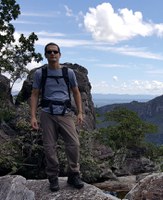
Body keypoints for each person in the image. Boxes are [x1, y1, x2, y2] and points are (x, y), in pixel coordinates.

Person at [30, 42, 84, 192]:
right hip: (47, 113)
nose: (52, 54)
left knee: (74, 145)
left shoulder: (69, 73)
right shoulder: (41, 73)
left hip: (65, 113)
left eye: (55, 51)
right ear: (46, 55)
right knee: (49, 147)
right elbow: (34, 94)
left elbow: (76, 92)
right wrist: (33, 116)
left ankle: (73, 174)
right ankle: (53, 178)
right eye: (49, 52)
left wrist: (80, 112)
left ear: (60, 54)